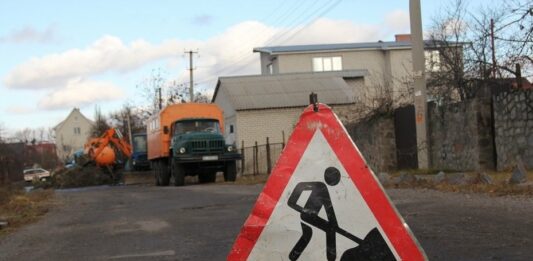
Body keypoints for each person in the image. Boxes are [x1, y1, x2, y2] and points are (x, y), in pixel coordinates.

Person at [287, 167, 341, 261]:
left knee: (330, 230)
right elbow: (291, 202)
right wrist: (304, 210)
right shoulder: (319, 185)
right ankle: (292, 256)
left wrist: (335, 225)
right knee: (308, 234)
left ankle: (331, 258)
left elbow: (329, 209)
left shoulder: (322, 187)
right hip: (305, 216)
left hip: (312, 217)